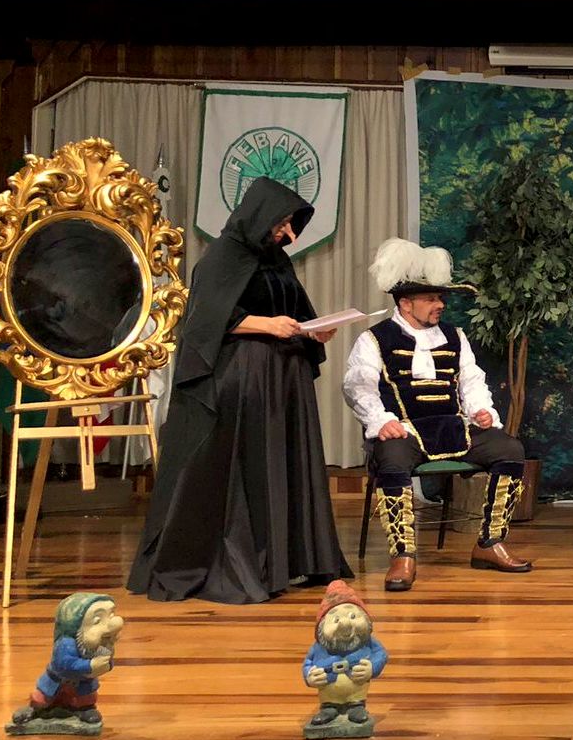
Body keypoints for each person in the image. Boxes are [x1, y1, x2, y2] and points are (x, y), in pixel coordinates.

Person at [128, 178, 349, 603]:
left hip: (282, 379)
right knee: (250, 467)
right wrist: (267, 325)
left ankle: (288, 560)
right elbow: (205, 320)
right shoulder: (221, 258)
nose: (288, 233)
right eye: (282, 223)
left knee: (281, 463)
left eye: (290, 224)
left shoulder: (276, 260)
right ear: (260, 216)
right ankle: (251, 564)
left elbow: (292, 311)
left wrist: (313, 330)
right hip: (242, 377)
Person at [344, 238, 532, 592]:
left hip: (454, 429)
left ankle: (489, 543)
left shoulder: (455, 336)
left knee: (510, 449)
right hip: (404, 431)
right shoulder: (374, 339)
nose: (440, 304)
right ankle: (403, 556)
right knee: (392, 458)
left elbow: (471, 380)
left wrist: (481, 410)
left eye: (440, 298)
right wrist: (381, 420)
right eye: (431, 298)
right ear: (405, 302)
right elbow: (358, 387)